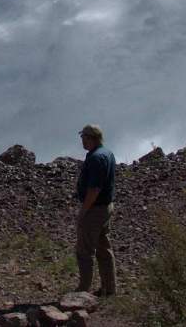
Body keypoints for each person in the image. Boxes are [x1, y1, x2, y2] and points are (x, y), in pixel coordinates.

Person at [75, 124, 117, 296]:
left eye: (84, 136)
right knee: (103, 248)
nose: (82, 140)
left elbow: (94, 189)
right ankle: (109, 289)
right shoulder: (107, 153)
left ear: (91, 137)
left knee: (84, 251)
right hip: (106, 207)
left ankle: (83, 291)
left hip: (94, 209)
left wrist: (83, 211)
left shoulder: (96, 158)